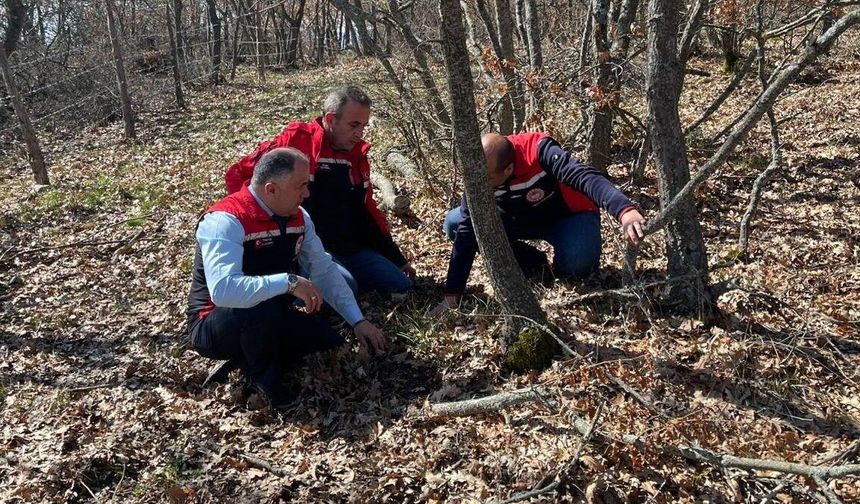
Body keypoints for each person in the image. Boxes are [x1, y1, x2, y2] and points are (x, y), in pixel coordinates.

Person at [187, 147, 386, 411]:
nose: (306, 193)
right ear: (271, 189)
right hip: (215, 324)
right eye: (300, 186)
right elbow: (224, 291)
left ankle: (249, 358)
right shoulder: (225, 221)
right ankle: (263, 385)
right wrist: (289, 282)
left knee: (328, 343)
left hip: (273, 313)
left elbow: (323, 269)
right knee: (259, 306)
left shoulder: (299, 217)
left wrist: (358, 320)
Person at [224, 85, 414, 296]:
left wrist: (396, 257)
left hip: (348, 247)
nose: (359, 134)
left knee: (400, 283)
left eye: (363, 126)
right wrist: (263, 237)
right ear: (331, 119)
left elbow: (367, 208)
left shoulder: (356, 155)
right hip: (306, 250)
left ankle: (338, 279)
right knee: (346, 286)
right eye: (353, 125)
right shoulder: (298, 142)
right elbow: (238, 176)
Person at [432, 132, 647, 316]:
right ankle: (534, 262)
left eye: (487, 178)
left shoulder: (538, 150)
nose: (479, 183)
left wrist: (624, 210)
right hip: (518, 218)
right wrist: (453, 295)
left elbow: (585, 176)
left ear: (507, 169)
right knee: (454, 223)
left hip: (566, 216)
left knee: (578, 265)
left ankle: (563, 267)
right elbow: (469, 228)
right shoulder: (479, 174)